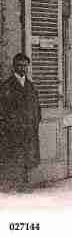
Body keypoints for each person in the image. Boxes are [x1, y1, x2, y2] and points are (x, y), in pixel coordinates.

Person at [0, 53, 42, 193]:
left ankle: (24, 184)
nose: (23, 68)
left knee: (27, 158)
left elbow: (37, 107)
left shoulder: (31, 86)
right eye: (20, 65)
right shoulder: (7, 86)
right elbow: (4, 110)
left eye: (25, 65)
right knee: (14, 157)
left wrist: (35, 122)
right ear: (14, 67)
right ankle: (14, 186)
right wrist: (10, 127)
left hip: (29, 130)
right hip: (14, 131)